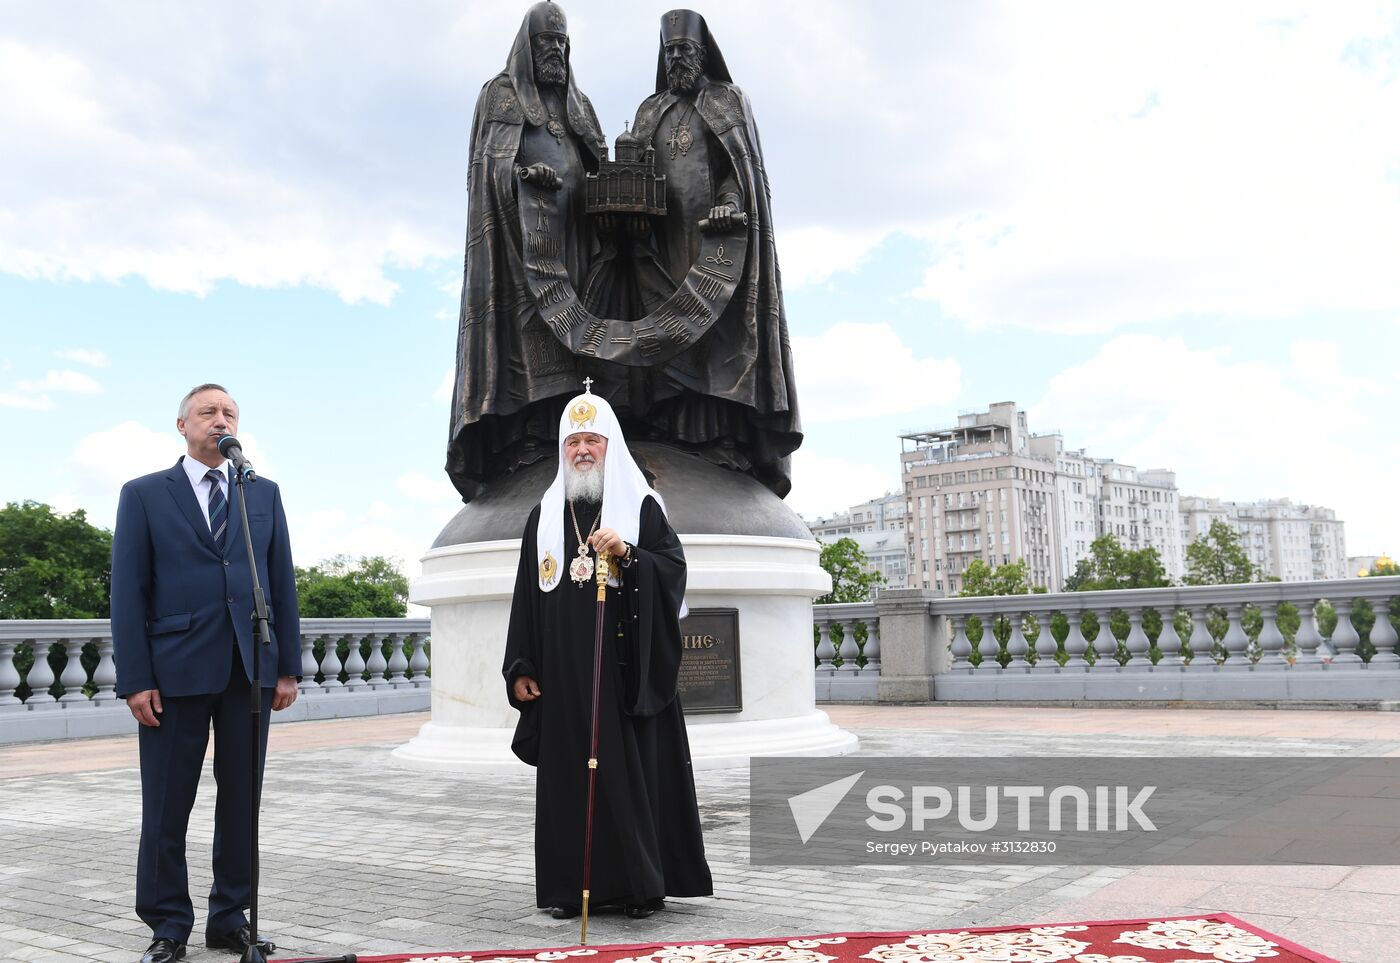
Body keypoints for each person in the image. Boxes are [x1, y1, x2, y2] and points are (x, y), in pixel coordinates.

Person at [502, 383, 712, 919]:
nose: (582, 451)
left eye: (592, 440)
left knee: (628, 777)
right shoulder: (544, 516)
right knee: (569, 781)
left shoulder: (641, 506)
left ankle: (639, 886)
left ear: (609, 447)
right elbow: (526, 596)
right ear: (562, 451)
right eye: (573, 442)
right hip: (564, 676)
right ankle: (571, 888)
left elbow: (673, 570)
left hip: (624, 671)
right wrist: (521, 665)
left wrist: (627, 553)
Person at [111, 384, 301, 963]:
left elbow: (281, 583)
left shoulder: (261, 492)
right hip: (173, 672)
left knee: (242, 800)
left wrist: (287, 667)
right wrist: (135, 677)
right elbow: (127, 590)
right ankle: (168, 924)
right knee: (167, 804)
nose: (220, 420)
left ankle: (230, 917)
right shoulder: (144, 494)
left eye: (229, 413)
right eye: (208, 412)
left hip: (250, 669)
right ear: (181, 424)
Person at [621, 8, 803, 498]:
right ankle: (667, 428)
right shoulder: (649, 110)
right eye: (670, 52)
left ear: (703, 54)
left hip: (714, 241)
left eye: (684, 50)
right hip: (659, 243)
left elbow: (736, 169)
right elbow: (631, 164)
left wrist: (727, 203)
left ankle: (723, 436)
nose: (677, 58)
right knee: (665, 333)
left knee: (717, 336)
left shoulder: (726, 100)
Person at [446, 1, 608, 503]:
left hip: (577, 248)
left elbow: (600, 162)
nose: (555, 51)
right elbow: (488, 166)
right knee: (525, 339)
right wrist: (522, 178)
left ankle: (579, 432)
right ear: (527, 47)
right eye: (545, 44)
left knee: (578, 340)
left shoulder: (579, 105)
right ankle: (527, 439)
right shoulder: (502, 94)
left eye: (561, 43)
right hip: (520, 248)